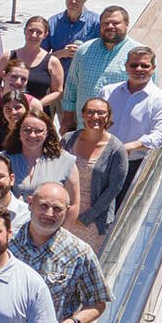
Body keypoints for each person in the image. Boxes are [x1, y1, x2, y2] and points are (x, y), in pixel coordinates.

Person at [10, 182, 111, 323]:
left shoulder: (79, 252)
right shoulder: (7, 243)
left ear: (66, 211)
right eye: (44, 206)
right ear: (30, 203)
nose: (49, 214)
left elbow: (98, 302)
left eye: (57, 209)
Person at [102, 46, 162, 205]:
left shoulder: (160, 100)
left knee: (120, 209)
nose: (139, 69)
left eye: (145, 65)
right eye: (134, 65)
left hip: (133, 165)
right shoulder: (107, 92)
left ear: (153, 69)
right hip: (102, 159)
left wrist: (129, 147)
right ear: (126, 66)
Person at [60, 5, 141, 132]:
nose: (110, 26)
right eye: (106, 23)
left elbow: (147, 94)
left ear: (127, 24)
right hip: (84, 128)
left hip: (119, 130)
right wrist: (67, 118)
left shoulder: (139, 55)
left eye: (115, 23)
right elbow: (72, 86)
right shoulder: (84, 51)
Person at [63, 98, 128, 251]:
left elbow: (114, 188)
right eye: (90, 112)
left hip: (93, 221)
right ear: (83, 115)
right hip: (65, 214)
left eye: (101, 113)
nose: (95, 117)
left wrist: (87, 217)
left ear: (108, 116)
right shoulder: (68, 139)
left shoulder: (116, 150)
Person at [3, 106, 80, 222]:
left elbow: (73, 205)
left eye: (38, 131)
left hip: (50, 229)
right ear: (19, 131)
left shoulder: (65, 161)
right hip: (10, 228)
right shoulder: (4, 159)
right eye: (27, 130)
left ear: (47, 133)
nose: (32, 135)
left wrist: (59, 235)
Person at [0, 16, 64, 111]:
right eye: (30, 31)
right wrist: (7, 96)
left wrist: (36, 104)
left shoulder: (52, 62)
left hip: (37, 114)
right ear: (24, 31)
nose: (34, 35)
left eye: (39, 32)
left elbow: (58, 91)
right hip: (9, 112)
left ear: (45, 34)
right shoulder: (8, 57)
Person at [43, 0, 100, 82]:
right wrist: (62, 53)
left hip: (84, 81)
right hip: (57, 82)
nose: (74, 1)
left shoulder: (97, 23)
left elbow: (103, 55)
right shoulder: (53, 23)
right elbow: (41, 58)